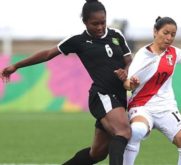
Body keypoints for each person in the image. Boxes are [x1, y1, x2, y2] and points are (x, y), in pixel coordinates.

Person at [0, 0, 132, 164]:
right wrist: (16, 65)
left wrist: (126, 71)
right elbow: (48, 53)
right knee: (124, 131)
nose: (99, 27)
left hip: (119, 96)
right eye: (94, 23)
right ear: (84, 22)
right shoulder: (78, 40)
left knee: (97, 153)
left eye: (103, 22)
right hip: (102, 95)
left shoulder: (116, 35)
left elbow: (129, 59)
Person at [122, 6, 181, 165]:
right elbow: (127, 85)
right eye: (165, 33)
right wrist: (131, 84)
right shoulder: (142, 56)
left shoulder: (172, 53)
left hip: (166, 107)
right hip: (142, 105)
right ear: (155, 32)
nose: (169, 37)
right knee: (137, 131)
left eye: (173, 34)